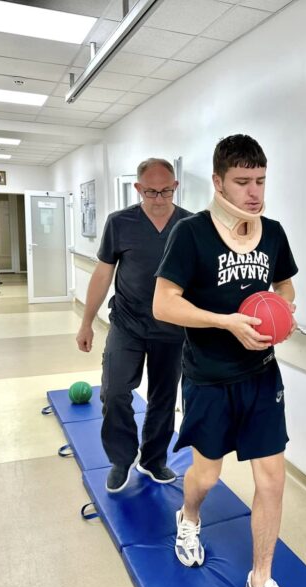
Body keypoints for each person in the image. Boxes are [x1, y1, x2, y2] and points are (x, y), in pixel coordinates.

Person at [153, 135, 298, 587]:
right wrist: (226, 322)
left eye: (260, 181)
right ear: (218, 182)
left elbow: (285, 287)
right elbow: (164, 304)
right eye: (242, 182)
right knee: (207, 477)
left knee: (272, 479)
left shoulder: (272, 233)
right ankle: (189, 517)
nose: (254, 192)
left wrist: (282, 312)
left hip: (262, 376)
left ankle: (261, 579)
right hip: (209, 376)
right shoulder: (191, 233)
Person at [76, 158, 192, 492]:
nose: (159, 199)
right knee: (114, 392)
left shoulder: (190, 225)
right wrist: (86, 322)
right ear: (138, 188)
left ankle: (153, 459)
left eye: (166, 191)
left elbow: (200, 279)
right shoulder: (120, 222)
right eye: (151, 192)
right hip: (127, 323)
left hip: (172, 329)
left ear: (175, 187)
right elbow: (103, 274)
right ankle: (121, 458)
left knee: (163, 398)